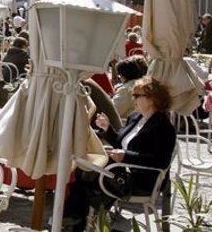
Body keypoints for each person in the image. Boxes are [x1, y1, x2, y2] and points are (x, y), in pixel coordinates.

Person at [62, 76, 176, 232]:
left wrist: (125, 156)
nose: (133, 99)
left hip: (141, 179)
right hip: (121, 171)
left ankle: (76, 221)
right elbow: (120, 142)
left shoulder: (163, 126)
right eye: (133, 95)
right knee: (85, 172)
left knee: (86, 175)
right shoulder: (136, 118)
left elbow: (160, 161)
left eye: (137, 96)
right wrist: (107, 128)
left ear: (152, 99)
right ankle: (79, 221)